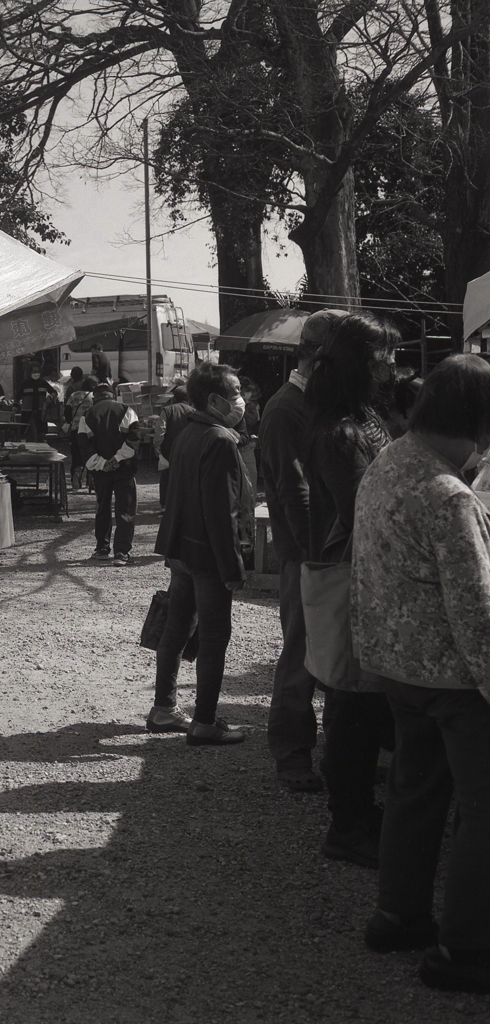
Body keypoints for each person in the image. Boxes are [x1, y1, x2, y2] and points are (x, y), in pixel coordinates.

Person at [353, 356, 490, 993]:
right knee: (482, 812)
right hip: (455, 680)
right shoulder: (449, 494)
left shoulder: (388, 462)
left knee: (415, 791)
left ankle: (398, 914)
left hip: (397, 667)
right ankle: (463, 951)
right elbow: (476, 612)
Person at [303, 311, 399, 867]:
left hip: (368, 573)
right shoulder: (339, 431)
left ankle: (360, 809)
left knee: (362, 703)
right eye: (382, 354)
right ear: (359, 362)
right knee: (350, 704)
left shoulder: (365, 417)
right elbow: (362, 511)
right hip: (352, 575)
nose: (389, 364)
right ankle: (348, 822)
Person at [259, 308, 346, 793]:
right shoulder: (286, 408)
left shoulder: (316, 402)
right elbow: (294, 492)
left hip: (327, 551)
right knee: (301, 655)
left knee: (333, 654)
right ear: (322, 357)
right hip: (309, 554)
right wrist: (315, 556)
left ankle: (339, 752)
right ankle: (292, 754)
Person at [150, 363, 254, 745]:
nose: (241, 399)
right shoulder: (219, 439)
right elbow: (221, 512)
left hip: (181, 551)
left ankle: (164, 709)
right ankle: (205, 722)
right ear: (214, 399)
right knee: (213, 637)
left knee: (177, 630)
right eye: (236, 391)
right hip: (207, 557)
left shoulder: (189, 432)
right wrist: (233, 567)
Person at [77, 383, 140, 566]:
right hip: (124, 469)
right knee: (125, 510)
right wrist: (117, 459)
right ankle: (121, 552)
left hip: (100, 472)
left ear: (95, 398)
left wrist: (102, 463)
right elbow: (134, 438)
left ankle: (102, 548)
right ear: (113, 395)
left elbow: (83, 444)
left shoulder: (87, 416)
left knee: (102, 508)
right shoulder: (127, 410)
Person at [155, 383, 194, 510]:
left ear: (174, 397)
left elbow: (160, 430)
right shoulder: (193, 412)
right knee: (185, 477)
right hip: (188, 449)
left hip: (169, 449)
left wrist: (158, 448)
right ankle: (184, 504)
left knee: (166, 477)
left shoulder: (167, 410)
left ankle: (165, 505)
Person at [63, 375, 96, 488]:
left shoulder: (74, 395)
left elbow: (67, 411)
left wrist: (69, 421)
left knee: (76, 454)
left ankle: (76, 474)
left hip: (75, 430)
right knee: (91, 454)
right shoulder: (93, 397)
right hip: (90, 431)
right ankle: (91, 478)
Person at [16, 364, 57, 442]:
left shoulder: (43, 383)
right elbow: (17, 397)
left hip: (40, 413)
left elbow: (54, 392)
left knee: (41, 434)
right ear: (30, 372)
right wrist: (14, 408)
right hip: (27, 413)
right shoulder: (25, 384)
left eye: (38, 371)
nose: (36, 373)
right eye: (34, 371)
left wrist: (50, 397)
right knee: (25, 435)